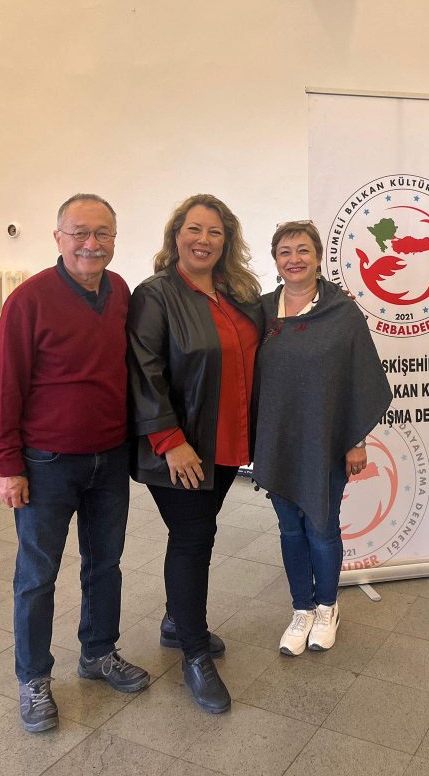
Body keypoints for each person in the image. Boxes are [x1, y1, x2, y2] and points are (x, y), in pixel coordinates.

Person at [0, 194, 150, 735]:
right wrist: (8, 465)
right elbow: (5, 387)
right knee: (37, 575)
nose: (91, 244)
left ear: (115, 239)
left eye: (103, 233)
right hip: (47, 463)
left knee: (105, 564)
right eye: (79, 232)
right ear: (58, 237)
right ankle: (33, 678)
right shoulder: (28, 300)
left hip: (110, 457)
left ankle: (98, 653)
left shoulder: (120, 291)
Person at [127, 194, 262, 713]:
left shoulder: (237, 292)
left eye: (215, 232)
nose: (203, 240)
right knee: (192, 539)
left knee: (199, 532)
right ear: (176, 235)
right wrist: (170, 440)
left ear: (227, 241)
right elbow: (145, 370)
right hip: (180, 449)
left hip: (226, 442)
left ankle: (175, 620)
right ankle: (194, 652)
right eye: (194, 229)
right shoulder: (155, 295)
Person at [252, 220, 392, 656]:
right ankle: (302, 609)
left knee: (321, 526)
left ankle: (328, 608)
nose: (294, 259)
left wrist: (356, 439)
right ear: (275, 261)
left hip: (326, 439)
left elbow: (360, 376)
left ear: (318, 258)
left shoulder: (342, 312)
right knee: (289, 529)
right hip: (277, 439)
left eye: (302, 250)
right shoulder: (261, 311)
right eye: (285, 252)